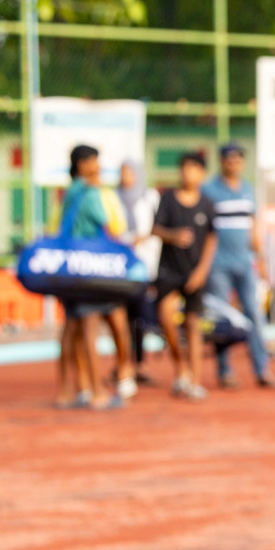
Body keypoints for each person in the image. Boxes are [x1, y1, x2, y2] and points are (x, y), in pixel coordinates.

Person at [55, 145, 136, 408]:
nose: (98, 167)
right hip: (89, 266)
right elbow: (108, 225)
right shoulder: (90, 192)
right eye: (94, 162)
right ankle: (97, 391)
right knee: (90, 326)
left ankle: (67, 391)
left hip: (70, 265)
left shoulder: (70, 192)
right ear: (82, 164)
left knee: (71, 329)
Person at [202, 143, 275, 389]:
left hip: (245, 263)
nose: (233, 163)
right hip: (217, 265)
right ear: (221, 161)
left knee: (254, 315)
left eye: (237, 159)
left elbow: (253, 227)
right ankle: (225, 371)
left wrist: (261, 259)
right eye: (229, 159)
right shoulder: (209, 190)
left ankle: (261, 368)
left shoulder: (248, 189)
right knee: (223, 320)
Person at [153, 151, 217, 402]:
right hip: (169, 271)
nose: (186, 173)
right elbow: (155, 229)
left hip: (194, 273)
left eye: (192, 169)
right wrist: (173, 236)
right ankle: (180, 367)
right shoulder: (167, 199)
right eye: (183, 168)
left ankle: (195, 381)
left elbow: (212, 238)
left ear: (202, 174)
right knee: (165, 317)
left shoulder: (207, 204)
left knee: (193, 324)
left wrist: (202, 271)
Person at [118, 159, 160, 384]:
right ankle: (123, 364)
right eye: (123, 171)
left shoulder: (149, 196)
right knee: (121, 318)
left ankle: (140, 364)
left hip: (144, 265)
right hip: (120, 266)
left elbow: (157, 227)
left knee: (140, 319)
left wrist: (141, 239)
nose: (126, 176)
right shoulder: (114, 197)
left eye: (130, 171)